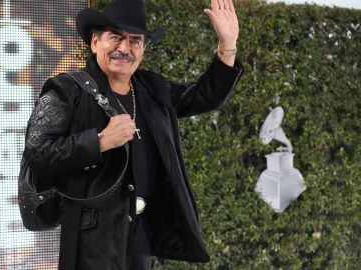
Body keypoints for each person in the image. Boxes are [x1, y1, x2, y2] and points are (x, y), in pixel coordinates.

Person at [22, 0, 243, 269]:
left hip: (141, 236)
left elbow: (204, 96)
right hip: (91, 240)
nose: (124, 48)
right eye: (115, 37)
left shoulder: (152, 90)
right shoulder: (66, 90)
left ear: (143, 50)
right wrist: (99, 141)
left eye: (135, 41)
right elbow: (38, 153)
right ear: (95, 42)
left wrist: (227, 44)